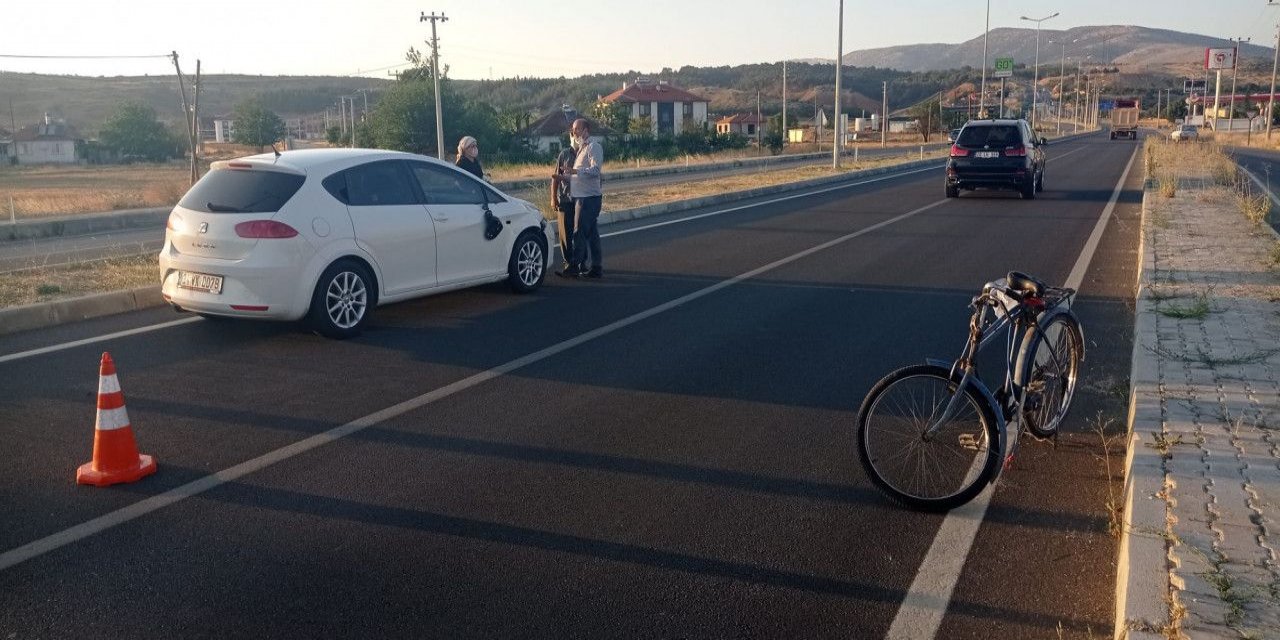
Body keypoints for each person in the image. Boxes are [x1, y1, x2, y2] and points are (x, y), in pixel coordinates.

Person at [557, 118, 603, 279]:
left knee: (579, 232)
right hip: (581, 197)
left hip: (588, 198)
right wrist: (564, 177)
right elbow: (579, 176)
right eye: (573, 129)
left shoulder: (593, 147)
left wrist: (574, 172)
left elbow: (596, 170)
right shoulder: (581, 149)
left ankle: (574, 266)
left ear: (585, 130)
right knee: (592, 234)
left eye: (577, 129)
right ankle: (596, 267)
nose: (574, 132)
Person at [550, 142, 578, 271]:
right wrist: (553, 198)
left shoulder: (587, 153)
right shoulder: (564, 154)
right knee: (565, 235)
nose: (575, 135)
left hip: (580, 201)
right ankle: (568, 264)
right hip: (565, 200)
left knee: (580, 234)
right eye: (573, 132)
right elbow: (555, 177)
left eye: (578, 130)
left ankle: (580, 263)